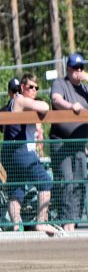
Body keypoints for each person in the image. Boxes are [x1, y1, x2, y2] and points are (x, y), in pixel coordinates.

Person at [49, 52, 88, 231]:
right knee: (67, 180)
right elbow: (56, 99)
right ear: (68, 68)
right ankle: (65, 221)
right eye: (75, 68)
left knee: (80, 180)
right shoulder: (60, 83)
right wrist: (71, 106)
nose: (78, 71)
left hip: (79, 142)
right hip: (61, 140)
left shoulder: (86, 88)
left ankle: (74, 221)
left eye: (81, 68)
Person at [1, 74, 60, 235]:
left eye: (36, 87)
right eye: (30, 87)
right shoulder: (20, 99)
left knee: (17, 190)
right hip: (20, 150)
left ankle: (15, 226)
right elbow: (45, 107)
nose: (33, 90)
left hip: (10, 152)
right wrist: (40, 103)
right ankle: (41, 222)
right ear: (22, 88)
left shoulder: (22, 103)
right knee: (46, 182)